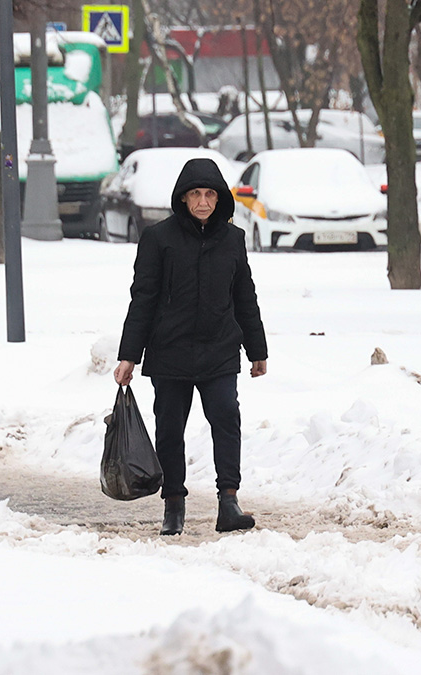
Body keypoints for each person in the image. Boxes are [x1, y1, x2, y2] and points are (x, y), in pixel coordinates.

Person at [114, 157, 268, 536]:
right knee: (169, 430)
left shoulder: (233, 240)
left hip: (219, 350)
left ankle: (228, 501)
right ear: (183, 199)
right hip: (170, 352)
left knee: (226, 420)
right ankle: (174, 505)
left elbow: (244, 296)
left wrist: (257, 349)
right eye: (195, 194)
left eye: (209, 194)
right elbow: (143, 299)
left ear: (219, 200)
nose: (202, 201)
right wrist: (129, 355)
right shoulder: (158, 239)